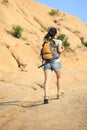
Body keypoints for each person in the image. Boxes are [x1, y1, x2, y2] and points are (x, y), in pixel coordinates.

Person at [43, 27, 64, 104]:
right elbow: (59, 51)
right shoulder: (59, 41)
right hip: (56, 62)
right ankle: (59, 93)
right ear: (55, 34)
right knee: (58, 77)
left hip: (47, 62)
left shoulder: (46, 41)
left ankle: (46, 96)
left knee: (47, 80)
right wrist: (63, 49)